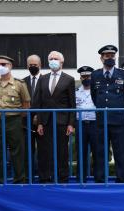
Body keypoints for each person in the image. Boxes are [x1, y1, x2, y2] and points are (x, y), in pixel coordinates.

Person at [90, 44, 124, 183]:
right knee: (100, 152)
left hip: (118, 121)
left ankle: (121, 180)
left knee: (120, 152)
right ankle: (100, 180)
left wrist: (120, 110)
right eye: (107, 56)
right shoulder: (95, 74)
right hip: (101, 121)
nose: (110, 58)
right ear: (101, 58)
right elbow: (94, 95)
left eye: (112, 55)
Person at [33, 50, 76, 183]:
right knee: (44, 151)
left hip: (62, 121)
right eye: (51, 58)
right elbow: (39, 102)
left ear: (62, 62)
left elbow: (72, 103)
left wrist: (71, 123)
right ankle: (45, 177)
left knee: (61, 151)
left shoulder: (69, 79)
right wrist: (39, 122)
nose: (53, 61)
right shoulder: (42, 78)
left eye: (56, 58)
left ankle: (62, 177)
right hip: (45, 121)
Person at [0, 54, 31, 183]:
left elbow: (26, 104)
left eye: (4, 64)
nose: (1, 67)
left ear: (10, 66)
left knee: (17, 151)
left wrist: (17, 117)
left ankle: (19, 179)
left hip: (14, 120)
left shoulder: (19, 84)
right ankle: (0, 180)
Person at [74, 65, 98, 182]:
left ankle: (99, 179)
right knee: (81, 153)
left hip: (95, 124)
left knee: (97, 152)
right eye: (83, 77)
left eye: (88, 76)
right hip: (81, 124)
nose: (85, 78)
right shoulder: (76, 92)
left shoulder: (98, 90)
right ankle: (81, 180)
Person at [22, 54, 42, 181]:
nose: (33, 67)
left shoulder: (46, 80)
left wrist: (39, 117)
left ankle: (43, 176)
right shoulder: (22, 82)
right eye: (31, 65)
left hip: (42, 122)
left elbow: (48, 102)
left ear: (40, 65)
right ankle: (28, 177)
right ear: (27, 66)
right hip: (26, 123)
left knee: (43, 152)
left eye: (35, 65)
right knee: (27, 152)